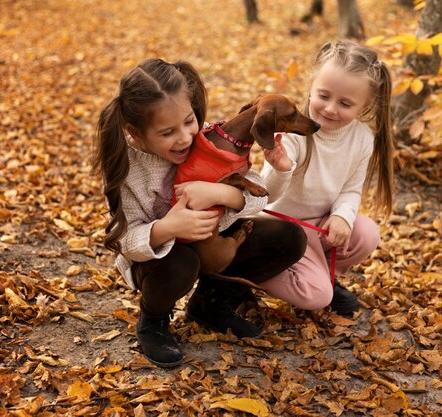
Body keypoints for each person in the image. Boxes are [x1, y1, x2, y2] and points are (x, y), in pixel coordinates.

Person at [93, 58, 307, 368]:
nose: (184, 137)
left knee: (288, 237)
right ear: (135, 133)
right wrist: (167, 227)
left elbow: (259, 195)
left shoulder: (208, 139)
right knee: (183, 261)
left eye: (189, 120)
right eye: (167, 132)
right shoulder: (127, 170)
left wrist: (222, 192)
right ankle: (153, 322)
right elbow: (125, 241)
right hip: (162, 261)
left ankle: (213, 302)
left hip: (215, 240)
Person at [259, 39, 394, 317]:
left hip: (318, 228)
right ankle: (246, 271)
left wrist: (343, 217)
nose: (331, 109)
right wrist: (281, 168)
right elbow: (265, 197)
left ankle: (324, 272)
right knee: (317, 296)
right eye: (324, 95)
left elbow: (351, 190)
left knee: (366, 234)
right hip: (281, 229)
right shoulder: (293, 130)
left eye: (345, 103)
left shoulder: (362, 138)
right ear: (311, 86)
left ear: (365, 105)